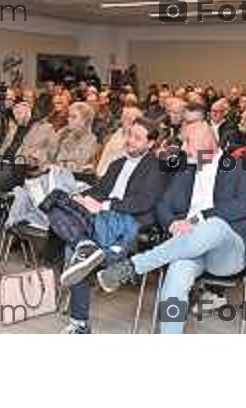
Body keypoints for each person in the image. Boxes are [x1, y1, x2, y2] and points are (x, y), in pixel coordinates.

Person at [96, 121, 246, 335]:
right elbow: (163, 204)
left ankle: (135, 265)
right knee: (176, 277)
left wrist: (198, 218)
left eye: (188, 142)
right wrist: (172, 223)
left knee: (214, 225)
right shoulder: (187, 169)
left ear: (207, 143)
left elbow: (243, 205)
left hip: (227, 251)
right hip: (188, 246)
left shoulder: (240, 166)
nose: (183, 149)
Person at [58, 118, 170, 334]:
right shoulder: (117, 163)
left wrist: (104, 205)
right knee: (58, 202)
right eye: (130, 135)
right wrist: (83, 197)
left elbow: (143, 201)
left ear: (150, 143)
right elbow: (100, 190)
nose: (130, 141)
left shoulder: (157, 168)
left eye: (138, 138)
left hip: (128, 221)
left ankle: (79, 321)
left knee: (75, 251)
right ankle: (86, 248)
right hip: (100, 217)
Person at [96, 106, 143, 176]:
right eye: (124, 118)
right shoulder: (117, 133)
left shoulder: (137, 140)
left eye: (129, 119)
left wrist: (128, 135)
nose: (125, 121)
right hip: (103, 172)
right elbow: (105, 154)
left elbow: (126, 156)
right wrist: (98, 172)